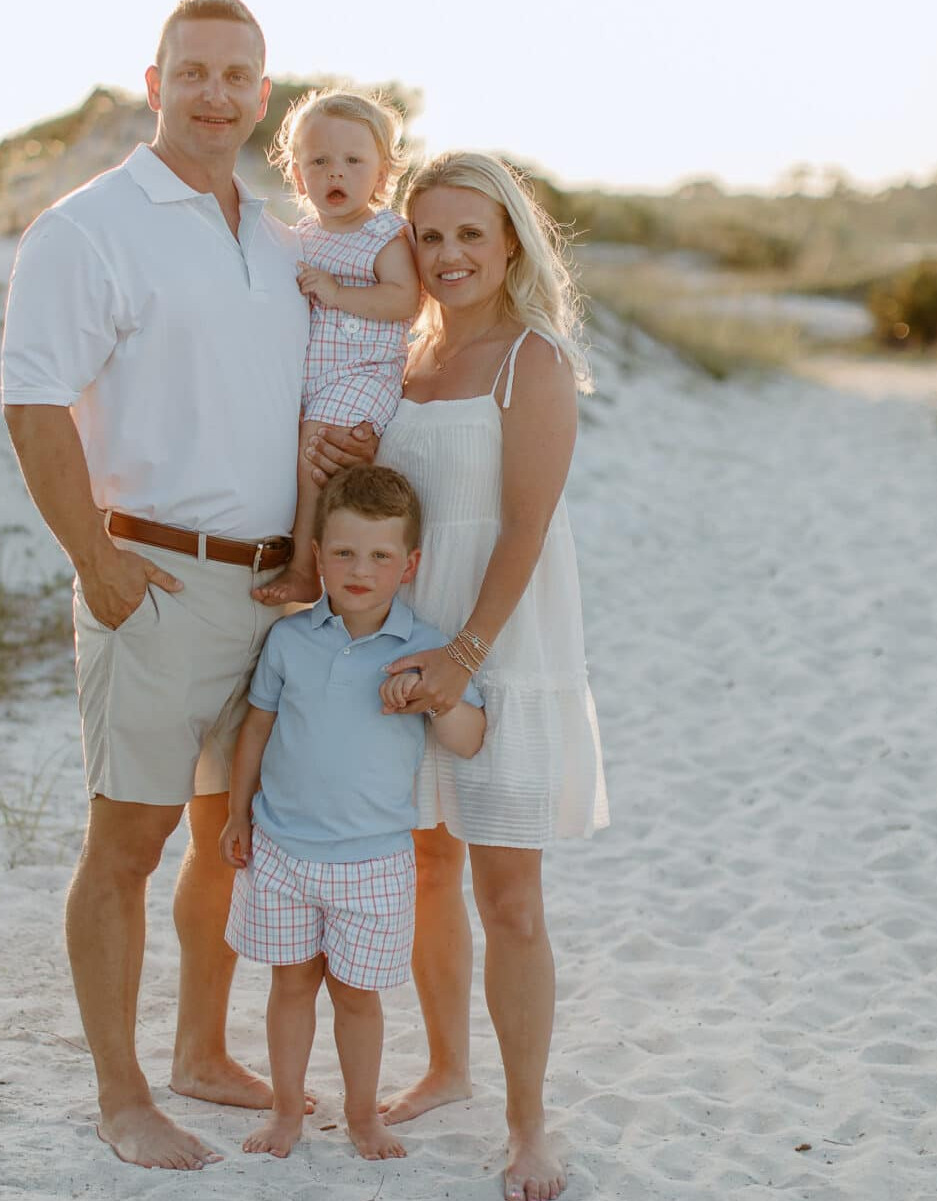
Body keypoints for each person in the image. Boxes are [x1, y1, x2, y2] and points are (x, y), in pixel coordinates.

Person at [0, 0, 376, 1172]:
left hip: (272, 593)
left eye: (239, 75)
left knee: (231, 839)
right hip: (152, 581)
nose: (217, 93)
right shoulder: (90, 227)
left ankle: (202, 1052)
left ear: (263, 98)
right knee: (130, 843)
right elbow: (33, 399)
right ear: (155, 84)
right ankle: (123, 1098)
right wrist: (96, 564)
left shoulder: (272, 233)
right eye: (195, 71)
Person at [373, 152, 610, 1201]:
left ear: (511, 238)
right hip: (403, 650)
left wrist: (464, 656)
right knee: (424, 871)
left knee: (509, 896)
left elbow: (522, 528)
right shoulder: (403, 358)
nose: (451, 254)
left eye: (472, 233)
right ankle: (445, 1066)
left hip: (499, 652)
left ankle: (527, 1127)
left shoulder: (534, 361)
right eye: (431, 235)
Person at [219, 465, 485, 1161]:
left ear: (409, 564)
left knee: (358, 997)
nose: (358, 569)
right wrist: (237, 812)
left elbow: (469, 739)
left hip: (373, 859)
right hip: (280, 845)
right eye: (342, 552)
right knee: (290, 984)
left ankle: (364, 1116)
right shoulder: (289, 640)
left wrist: (435, 693)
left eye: (379, 555)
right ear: (317, 555)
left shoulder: (426, 648)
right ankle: (286, 1111)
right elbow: (255, 728)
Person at [252, 90, 421, 607]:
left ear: (382, 174)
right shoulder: (300, 237)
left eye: (353, 161)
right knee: (303, 465)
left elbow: (404, 300)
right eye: (319, 162)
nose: (336, 175)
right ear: (299, 176)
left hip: (363, 374)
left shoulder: (384, 233)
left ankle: (305, 569)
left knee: (313, 459)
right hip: (316, 380)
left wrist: (337, 293)